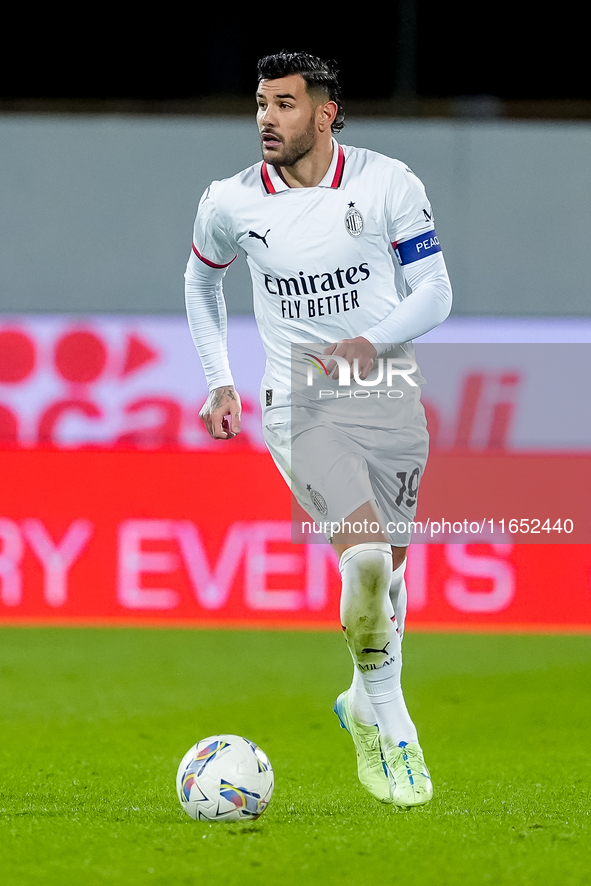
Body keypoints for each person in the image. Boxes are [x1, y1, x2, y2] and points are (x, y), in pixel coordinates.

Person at [185, 50, 452, 808]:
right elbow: (201, 278)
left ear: (325, 113)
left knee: (388, 576)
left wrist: (372, 343)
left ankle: (359, 698)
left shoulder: (386, 182)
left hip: (391, 395)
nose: (267, 118)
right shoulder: (230, 201)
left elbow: (434, 291)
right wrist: (218, 378)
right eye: (261, 104)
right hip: (297, 400)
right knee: (363, 559)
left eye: (285, 104)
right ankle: (393, 730)